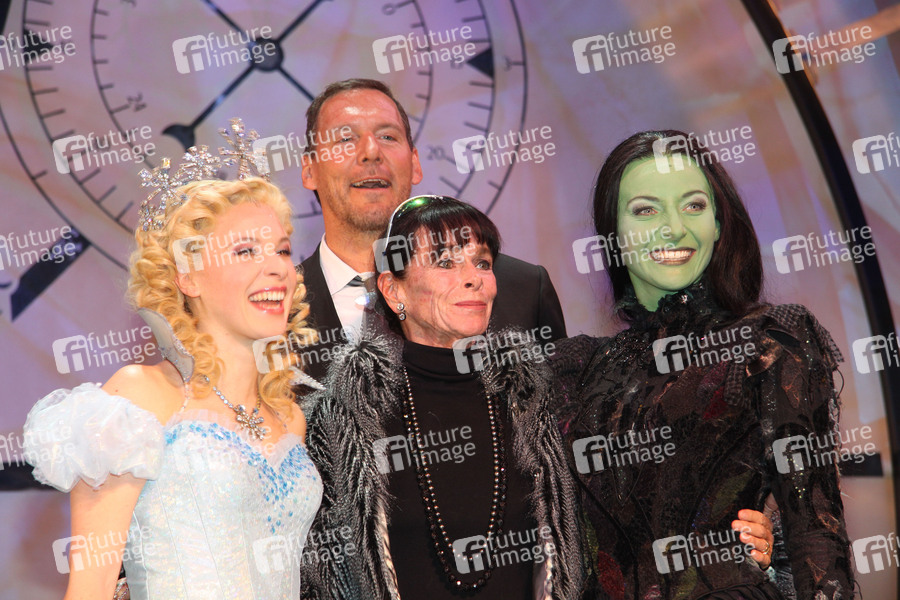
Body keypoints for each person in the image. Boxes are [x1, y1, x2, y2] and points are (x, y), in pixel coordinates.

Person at [299, 195, 774, 600]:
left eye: (482, 262)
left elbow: (643, 491)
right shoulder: (340, 422)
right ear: (392, 289)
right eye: (445, 262)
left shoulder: (548, 397)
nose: (473, 277)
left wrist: (726, 532)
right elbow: (315, 574)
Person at [553, 130, 855, 599]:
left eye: (693, 205)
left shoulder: (769, 340)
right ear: (612, 233)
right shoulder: (578, 367)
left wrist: (770, 551)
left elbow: (817, 534)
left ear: (718, 223)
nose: (674, 227)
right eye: (646, 210)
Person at [23, 175, 322, 599]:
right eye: (245, 251)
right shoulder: (138, 398)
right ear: (188, 277)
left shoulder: (288, 418)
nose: (277, 267)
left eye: (283, 250)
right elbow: (91, 587)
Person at [296, 79, 566, 382]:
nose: (370, 151)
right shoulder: (275, 308)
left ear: (415, 163)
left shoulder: (523, 289)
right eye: (345, 139)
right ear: (309, 170)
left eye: (387, 136)